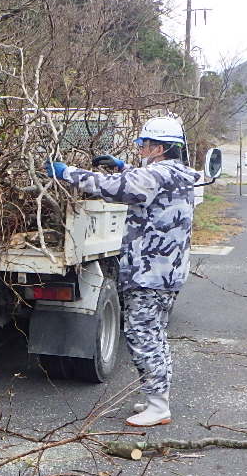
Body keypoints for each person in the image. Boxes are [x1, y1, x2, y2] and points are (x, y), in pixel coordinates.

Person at [46, 115, 199, 428]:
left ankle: (158, 406)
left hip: (149, 274)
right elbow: (145, 184)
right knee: (155, 334)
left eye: (144, 144)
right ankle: (156, 396)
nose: (141, 149)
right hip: (166, 273)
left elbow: (116, 189)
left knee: (143, 336)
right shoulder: (180, 174)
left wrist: (67, 172)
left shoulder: (156, 174)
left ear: (159, 147)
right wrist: (122, 166)